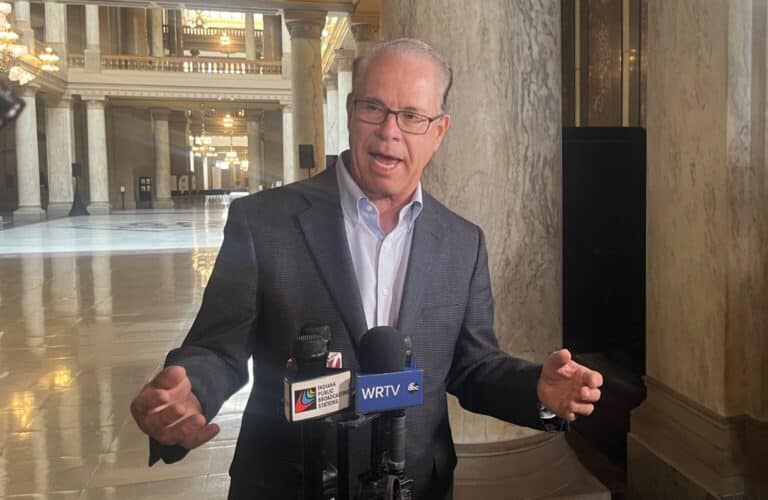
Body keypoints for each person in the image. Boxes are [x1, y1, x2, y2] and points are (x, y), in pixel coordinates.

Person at [130, 38, 603, 499]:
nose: (389, 131)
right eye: (374, 108)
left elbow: (474, 366)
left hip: (417, 485)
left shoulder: (463, 243)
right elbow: (216, 349)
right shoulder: (263, 223)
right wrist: (188, 392)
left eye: (412, 116)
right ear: (351, 112)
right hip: (287, 483)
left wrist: (537, 391)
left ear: (439, 131)